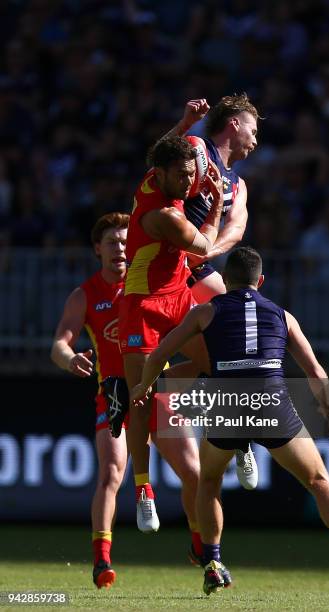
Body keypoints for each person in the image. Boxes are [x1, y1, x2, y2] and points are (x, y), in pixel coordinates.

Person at [131, 246, 329, 597]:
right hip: (272, 403)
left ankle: (213, 562)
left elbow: (159, 353)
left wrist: (144, 387)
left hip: (228, 405)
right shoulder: (283, 315)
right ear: (260, 281)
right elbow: (315, 371)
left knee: (208, 481)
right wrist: (326, 408)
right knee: (320, 480)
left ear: (226, 281)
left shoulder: (205, 312)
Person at [51, 212, 215, 590]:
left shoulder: (153, 288)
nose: (120, 248)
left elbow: (190, 326)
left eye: (126, 242)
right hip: (113, 392)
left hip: (157, 390)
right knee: (111, 474)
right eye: (112, 242)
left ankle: (199, 546)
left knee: (193, 472)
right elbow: (59, 343)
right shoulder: (86, 294)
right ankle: (101, 560)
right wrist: (68, 358)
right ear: (97, 249)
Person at [118, 136, 224, 533]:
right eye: (182, 175)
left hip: (178, 299)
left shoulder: (152, 177)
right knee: (140, 399)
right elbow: (206, 247)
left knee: (215, 363)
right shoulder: (164, 216)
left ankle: (239, 440)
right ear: (161, 175)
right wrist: (216, 202)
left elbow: (163, 147)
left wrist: (187, 123)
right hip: (142, 306)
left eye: (191, 173)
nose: (189, 181)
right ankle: (144, 489)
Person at [164, 94, 260, 488]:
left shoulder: (238, 185)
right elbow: (156, 167)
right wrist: (185, 124)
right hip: (158, 268)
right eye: (253, 129)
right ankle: (153, 384)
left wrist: (203, 251)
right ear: (234, 123)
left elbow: (235, 231)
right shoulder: (198, 150)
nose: (256, 140)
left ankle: (237, 438)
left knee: (232, 340)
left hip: (194, 268)